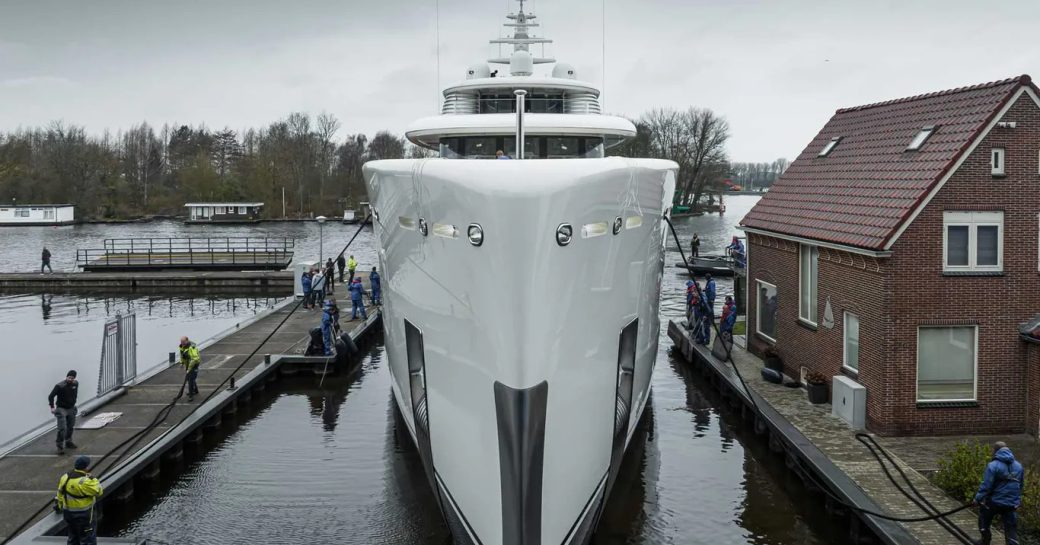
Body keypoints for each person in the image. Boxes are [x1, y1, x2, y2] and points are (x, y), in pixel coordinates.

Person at [975, 441, 1023, 545]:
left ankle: (985, 539)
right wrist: (1018, 500)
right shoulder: (1019, 466)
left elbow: (986, 486)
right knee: (1011, 528)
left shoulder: (993, 465)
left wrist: (977, 498)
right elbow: (1020, 485)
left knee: (984, 517)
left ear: (995, 451)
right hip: (1011, 503)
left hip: (994, 502)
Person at [55, 455, 103, 545]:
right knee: (87, 538)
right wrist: (93, 478)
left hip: (68, 514)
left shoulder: (65, 477)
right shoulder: (85, 481)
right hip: (84, 515)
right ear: (86, 467)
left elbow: (60, 493)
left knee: (73, 537)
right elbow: (99, 491)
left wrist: (60, 506)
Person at [48, 370, 79, 454]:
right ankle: (59, 446)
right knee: (62, 428)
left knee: (70, 426)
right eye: (69, 377)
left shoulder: (75, 384)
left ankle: (68, 442)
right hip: (61, 409)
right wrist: (52, 407)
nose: (70, 379)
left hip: (71, 408)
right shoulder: (59, 386)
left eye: (72, 378)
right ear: (66, 377)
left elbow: (75, 394)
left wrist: (73, 404)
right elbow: (51, 396)